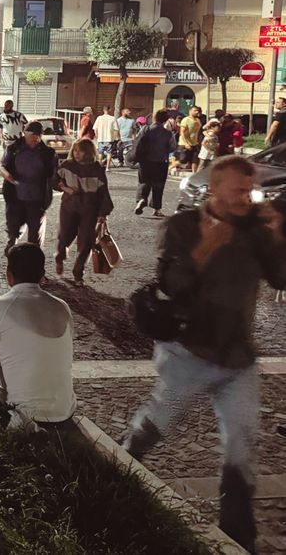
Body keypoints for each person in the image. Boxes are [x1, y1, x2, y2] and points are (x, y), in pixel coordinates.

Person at [124, 156, 286, 553]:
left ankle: (237, 535)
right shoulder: (183, 226)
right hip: (187, 353)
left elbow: (281, 277)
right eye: (237, 192)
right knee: (158, 422)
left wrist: (279, 234)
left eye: (249, 191)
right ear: (215, 191)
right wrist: (206, 247)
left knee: (241, 445)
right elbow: (171, 284)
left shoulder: (255, 230)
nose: (246, 199)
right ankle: (120, 467)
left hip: (237, 359)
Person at [0, 244, 76, 430]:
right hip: (64, 412)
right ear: (42, 274)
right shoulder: (62, 307)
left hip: (23, 414)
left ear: (8, 274)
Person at [55, 139, 113, 286]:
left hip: (90, 209)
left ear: (88, 152)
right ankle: (60, 256)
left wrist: (103, 213)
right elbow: (54, 180)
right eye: (75, 150)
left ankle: (78, 273)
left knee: (86, 241)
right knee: (65, 236)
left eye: (80, 151)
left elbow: (103, 193)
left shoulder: (97, 169)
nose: (76, 153)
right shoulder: (67, 165)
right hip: (70, 207)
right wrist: (64, 187)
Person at [0, 121, 57, 253]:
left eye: (38, 137)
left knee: (34, 239)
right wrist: (8, 176)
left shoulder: (48, 153)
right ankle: (12, 259)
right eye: (32, 137)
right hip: (15, 199)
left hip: (37, 201)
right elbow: (1, 167)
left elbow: (54, 175)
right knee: (13, 233)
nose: (35, 140)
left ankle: (34, 266)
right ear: (24, 133)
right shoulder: (13, 149)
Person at [133, 109, 175, 218]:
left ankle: (141, 199)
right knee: (158, 185)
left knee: (144, 182)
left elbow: (137, 141)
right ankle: (157, 208)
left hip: (145, 161)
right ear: (165, 120)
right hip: (161, 162)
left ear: (154, 118)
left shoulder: (145, 129)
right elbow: (172, 147)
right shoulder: (168, 134)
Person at [176, 105, 202, 175]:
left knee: (195, 160)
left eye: (197, 111)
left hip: (195, 143)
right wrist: (186, 143)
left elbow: (198, 132)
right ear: (190, 111)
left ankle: (194, 174)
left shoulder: (198, 120)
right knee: (182, 160)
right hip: (184, 144)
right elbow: (182, 132)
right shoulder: (186, 120)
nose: (197, 112)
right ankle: (171, 167)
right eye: (195, 110)